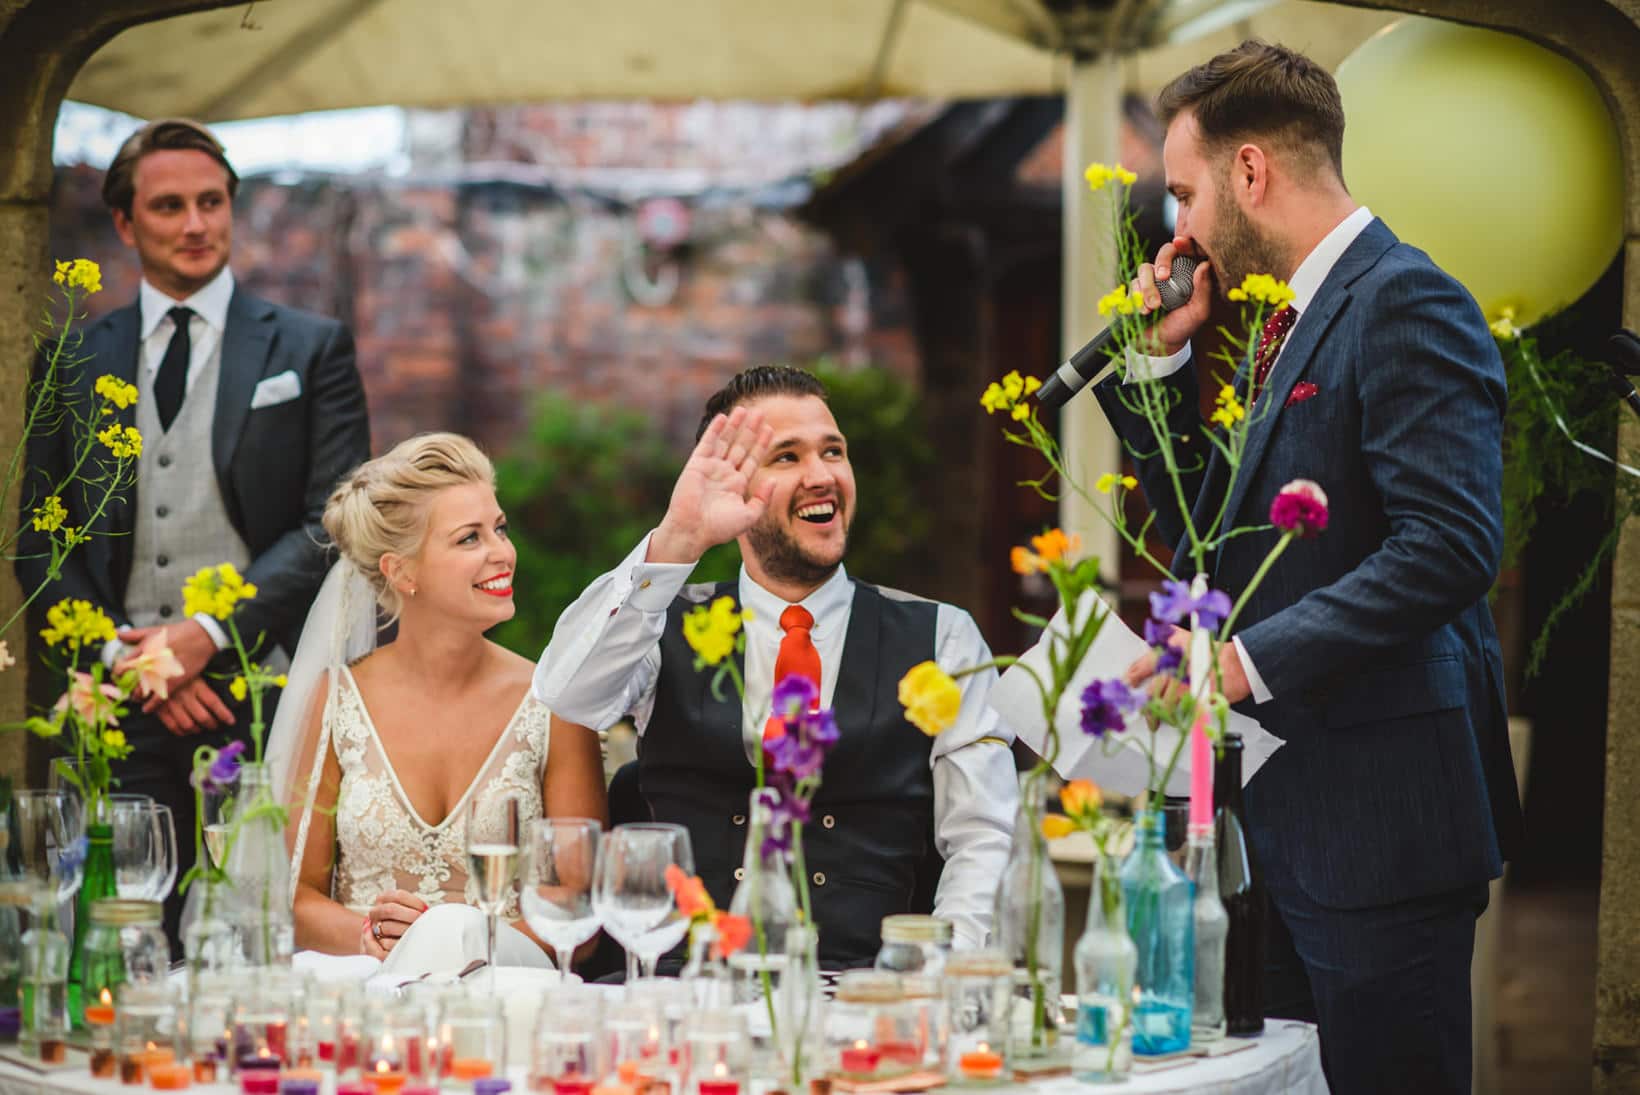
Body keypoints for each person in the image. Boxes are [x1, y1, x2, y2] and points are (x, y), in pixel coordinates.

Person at [1093, 41, 1523, 1095]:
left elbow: (1452, 542)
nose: (1177, 231)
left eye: (1184, 193)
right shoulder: (1279, 326)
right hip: (1276, 825)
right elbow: (1217, 544)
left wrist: (1243, 663)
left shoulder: (1404, 301)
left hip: (1381, 830)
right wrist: (1155, 368)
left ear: (1250, 171)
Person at [17, 118, 371, 948]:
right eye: (169, 205)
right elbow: (41, 540)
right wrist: (134, 658)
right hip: (118, 694)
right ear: (125, 223)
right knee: (124, 925)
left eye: (211, 202)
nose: (195, 223)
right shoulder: (70, 360)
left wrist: (209, 636)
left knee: (255, 923)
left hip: (263, 690)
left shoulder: (312, 348)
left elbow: (334, 519)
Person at [535, 366, 1019, 969]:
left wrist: (939, 982)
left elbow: (984, 837)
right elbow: (569, 692)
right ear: (733, 488)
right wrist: (676, 542)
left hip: (868, 995)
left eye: (833, 451)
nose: (822, 476)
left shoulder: (943, 636)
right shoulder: (664, 622)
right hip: (686, 993)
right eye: (786, 457)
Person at [270, 433, 607, 959]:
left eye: (499, 529)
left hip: (510, 997)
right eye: (469, 539)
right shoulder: (335, 700)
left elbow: (580, 908)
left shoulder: (554, 697)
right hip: (369, 998)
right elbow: (298, 900)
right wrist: (370, 937)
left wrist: (459, 945)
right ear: (401, 571)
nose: (502, 553)